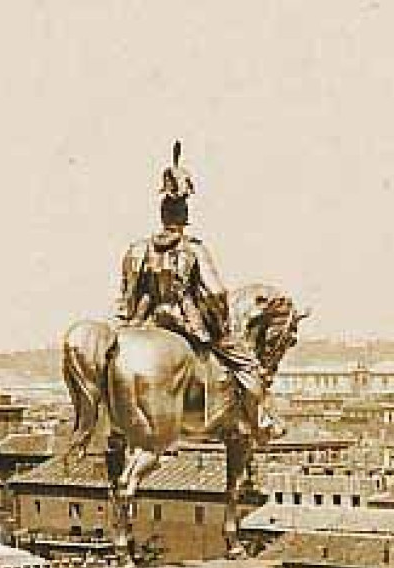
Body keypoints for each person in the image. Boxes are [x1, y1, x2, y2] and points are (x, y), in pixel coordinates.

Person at [115, 141, 285, 444]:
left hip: (147, 321)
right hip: (185, 321)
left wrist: (131, 323)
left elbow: (128, 294)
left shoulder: (137, 250)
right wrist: (219, 317)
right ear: (184, 216)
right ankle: (260, 420)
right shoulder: (192, 249)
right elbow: (218, 292)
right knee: (247, 364)